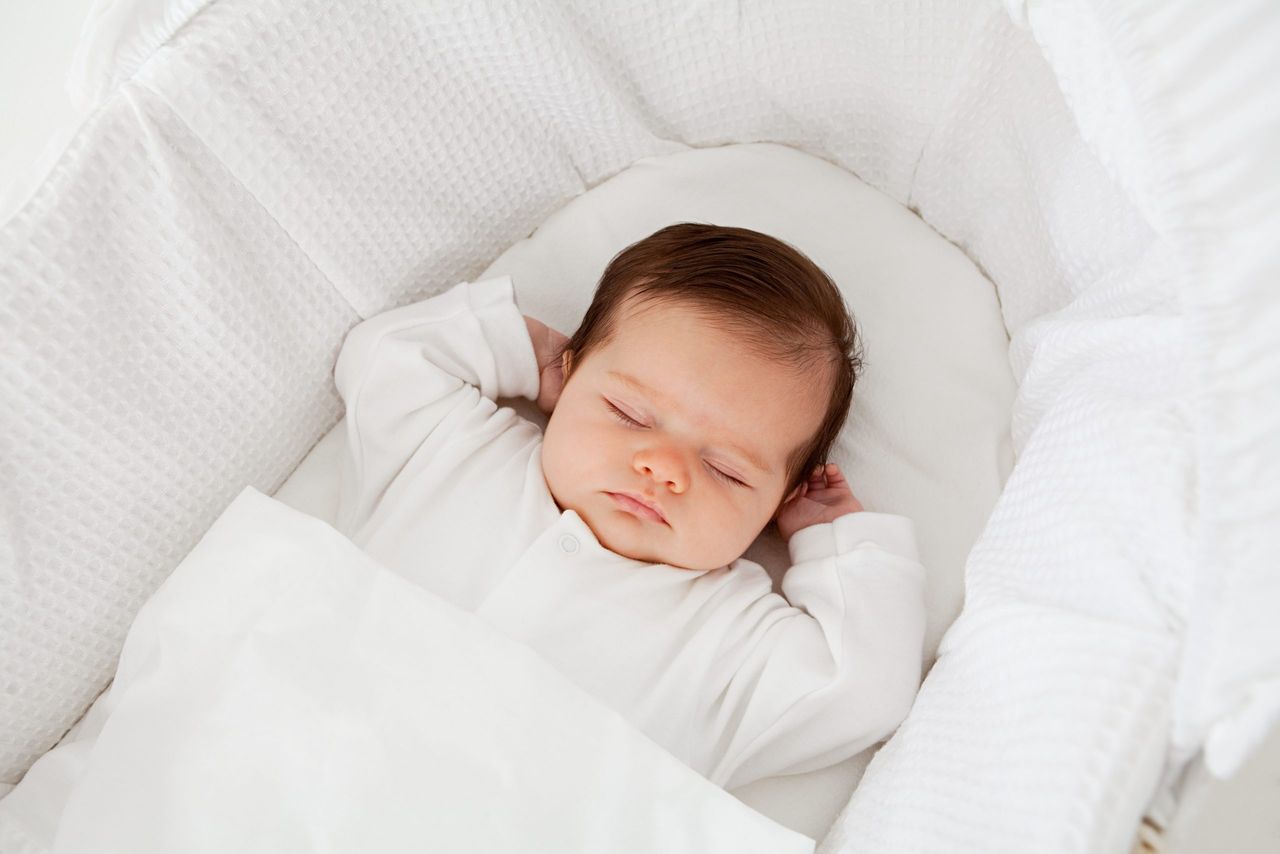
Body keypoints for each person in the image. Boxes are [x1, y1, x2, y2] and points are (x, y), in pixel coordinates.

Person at [333, 222, 926, 790]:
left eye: (726, 471)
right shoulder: (456, 455)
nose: (664, 469)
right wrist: (527, 350)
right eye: (629, 414)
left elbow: (865, 689)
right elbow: (385, 355)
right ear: (569, 376)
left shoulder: (727, 641)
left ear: (778, 503)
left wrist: (834, 540)